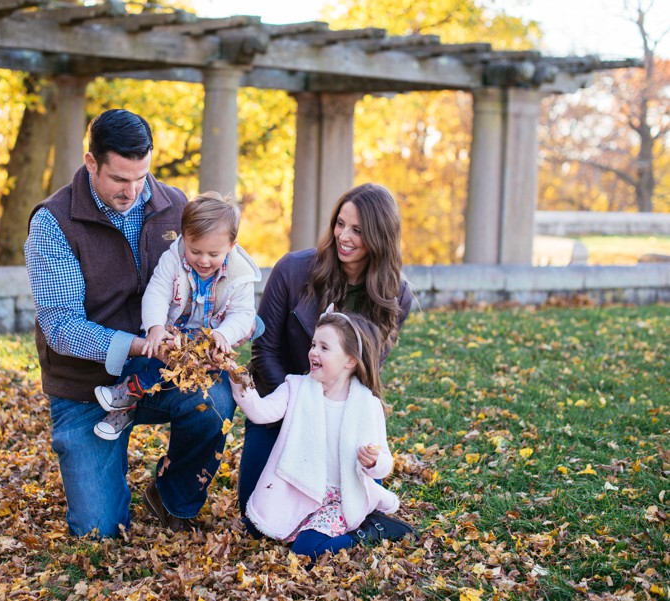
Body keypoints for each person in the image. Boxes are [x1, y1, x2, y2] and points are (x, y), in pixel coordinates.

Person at [24, 109, 235, 537]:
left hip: (163, 372)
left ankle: (173, 496)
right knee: (99, 531)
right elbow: (61, 326)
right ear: (90, 163)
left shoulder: (176, 206)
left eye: (141, 176)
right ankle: (105, 467)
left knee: (216, 401)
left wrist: (225, 327)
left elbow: (223, 265)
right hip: (86, 386)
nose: (133, 190)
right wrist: (140, 344)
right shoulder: (53, 223)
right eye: (120, 179)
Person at [240, 183, 415, 529]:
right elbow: (264, 349)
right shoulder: (292, 270)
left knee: (357, 517)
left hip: (341, 419)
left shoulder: (396, 296)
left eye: (358, 230)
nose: (343, 236)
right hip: (281, 404)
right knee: (256, 521)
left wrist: (332, 421)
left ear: (380, 237)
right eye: (340, 224)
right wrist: (298, 406)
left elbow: (367, 374)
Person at [224, 308, 415, 559]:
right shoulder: (297, 387)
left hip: (341, 499)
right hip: (302, 487)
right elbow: (261, 412)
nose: (313, 352)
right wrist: (239, 379)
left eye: (324, 348)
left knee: (306, 550)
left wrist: (373, 462)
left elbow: (385, 464)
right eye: (313, 344)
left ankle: (370, 530)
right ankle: (302, 524)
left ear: (350, 360)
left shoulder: (366, 405)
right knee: (253, 531)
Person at [92, 191, 261, 440]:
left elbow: (243, 314)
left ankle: (130, 393)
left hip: (207, 342)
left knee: (203, 384)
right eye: (195, 251)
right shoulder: (173, 258)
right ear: (185, 239)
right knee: (152, 356)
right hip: (174, 332)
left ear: (231, 246)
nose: (203, 261)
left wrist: (223, 333)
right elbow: (157, 293)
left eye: (213, 254)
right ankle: (125, 403)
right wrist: (156, 327)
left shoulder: (240, 275)